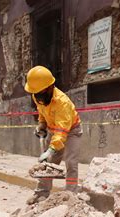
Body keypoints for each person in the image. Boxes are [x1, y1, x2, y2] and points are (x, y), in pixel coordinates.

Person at [24, 65, 82, 204]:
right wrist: (42, 125)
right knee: (48, 164)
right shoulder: (38, 95)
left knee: (71, 163)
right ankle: (41, 193)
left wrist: (51, 149)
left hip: (72, 130)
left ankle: (70, 194)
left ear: (50, 87)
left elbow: (62, 131)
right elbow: (42, 112)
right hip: (54, 130)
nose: (38, 97)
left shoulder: (63, 102)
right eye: (35, 93)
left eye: (40, 93)